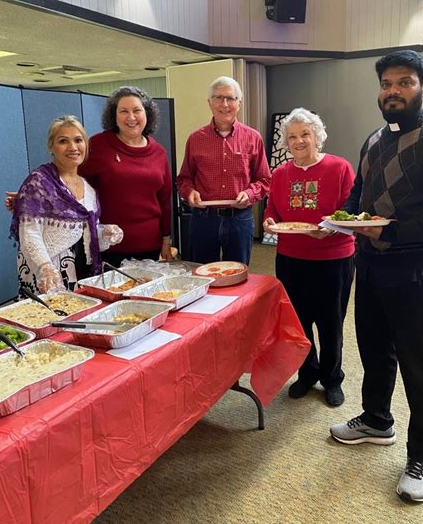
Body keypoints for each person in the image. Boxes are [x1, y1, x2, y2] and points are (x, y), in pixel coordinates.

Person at [330, 50, 423, 503]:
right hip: (368, 265)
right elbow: (358, 192)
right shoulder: (373, 139)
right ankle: (376, 420)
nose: (392, 91)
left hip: (417, 270)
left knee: (418, 365)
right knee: (373, 350)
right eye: (386, 83)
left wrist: (393, 230)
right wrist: (344, 218)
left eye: (404, 82)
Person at [263, 108, 355, 406]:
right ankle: (307, 372)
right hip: (291, 258)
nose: (299, 141)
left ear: (318, 136)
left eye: (305, 134)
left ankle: (332, 378)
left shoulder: (339, 168)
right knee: (298, 322)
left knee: (331, 323)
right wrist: (268, 221)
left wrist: (331, 227)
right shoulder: (280, 173)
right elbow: (273, 211)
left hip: (333, 258)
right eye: (292, 136)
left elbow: (351, 212)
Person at [10, 116, 123, 293]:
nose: (73, 147)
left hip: (81, 274)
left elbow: (83, 234)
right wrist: (45, 267)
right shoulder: (39, 183)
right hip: (49, 274)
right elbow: (29, 234)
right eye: (63, 141)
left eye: (78, 140)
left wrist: (104, 233)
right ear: (51, 146)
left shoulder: (89, 189)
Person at [177, 76, 271, 264]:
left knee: (238, 274)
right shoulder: (196, 139)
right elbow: (184, 179)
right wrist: (190, 192)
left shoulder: (253, 138)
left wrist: (250, 194)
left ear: (239, 103)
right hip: (204, 220)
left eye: (231, 98)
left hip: (239, 219)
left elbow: (264, 180)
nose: (225, 104)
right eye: (218, 98)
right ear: (210, 103)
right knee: (202, 274)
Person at [78, 86, 174, 267]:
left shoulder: (159, 152)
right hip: (110, 247)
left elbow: (164, 201)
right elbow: (74, 186)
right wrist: (36, 197)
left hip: (150, 247)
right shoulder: (98, 145)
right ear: (114, 116)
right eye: (123, 111)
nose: (131, 117)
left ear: (147, 114)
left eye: (137, 110)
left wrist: (166, 240)